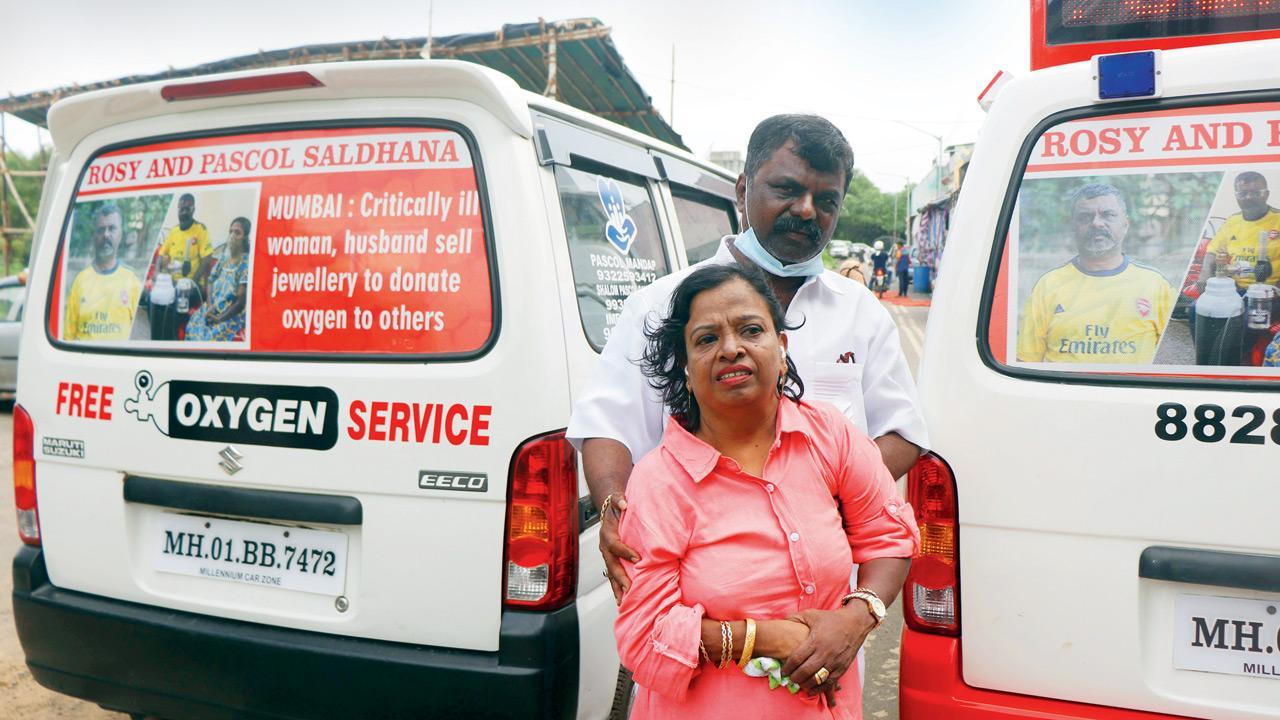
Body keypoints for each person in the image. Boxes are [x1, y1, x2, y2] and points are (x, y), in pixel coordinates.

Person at [568, 114, 928, 603]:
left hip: (822, 601)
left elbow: (902, 431)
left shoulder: (860, 312)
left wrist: (819, 502)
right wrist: (615, 503)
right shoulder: (662, 304)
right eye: (787, 189)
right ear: (742, 190)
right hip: (692, 594)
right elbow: (608, 423)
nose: (806, 210)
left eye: (826, 201)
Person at [614, 263, 918, 719]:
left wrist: (856, 619)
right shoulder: (659, 482)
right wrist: (765, 638)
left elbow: (888, 536)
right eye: (706, 339)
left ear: (781, 346)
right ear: (685, 365)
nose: (730, 349)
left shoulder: (830, 436)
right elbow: (643, 634)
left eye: (750, 330)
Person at [1016, 183, 1173, 364]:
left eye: (1108, 215)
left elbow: (1176, 361)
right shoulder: (1048, 285)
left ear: (1125, 225)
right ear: (1072, 226)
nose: (1097, 223)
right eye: (1085, 217)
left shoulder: (1156, 285)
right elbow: (1026, 361)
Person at [63, 203, 142, 341]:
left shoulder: (132, 281)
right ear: (94, 235)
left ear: (121, 234)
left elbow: (140, 338)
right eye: (100, 230)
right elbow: (69, 336)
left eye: (112, 229)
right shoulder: (80, 281)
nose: (106, 235)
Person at [1201, 171, 1280, 290]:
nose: (1249, 197)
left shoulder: (1277, 219)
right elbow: (1212, 253)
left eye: (1256, 193)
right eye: (1243, 193)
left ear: (1266, 194)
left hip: (1272, 291)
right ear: (1236, 196)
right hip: (1235, 290)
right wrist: (1204, 277)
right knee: (1194, 308)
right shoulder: (1232, 222)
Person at [150, 193, 212, 340]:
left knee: (174, 304)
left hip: (190, 286)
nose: (183, 212)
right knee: (152, 299)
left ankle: (171, 344)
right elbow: (161, 254)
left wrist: (194, 281)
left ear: (193, 209)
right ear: (177, 209)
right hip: (172, 282)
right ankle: (157, 341)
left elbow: (207, 257)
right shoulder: (174, 231)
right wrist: (157, 273)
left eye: (187, 208)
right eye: (181, 208)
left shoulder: (200, 230)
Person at [186, 217, 251, 342]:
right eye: (231, 231)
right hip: (213, 306)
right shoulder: (224, 258)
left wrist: (219, 319)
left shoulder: (246, 263)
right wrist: (210, 305)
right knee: (192, 326)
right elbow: (210, 280)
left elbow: (240, 303)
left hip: (229, 314)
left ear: (245, 237)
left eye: (237, 233)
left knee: (209, 339)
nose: (232, 236)